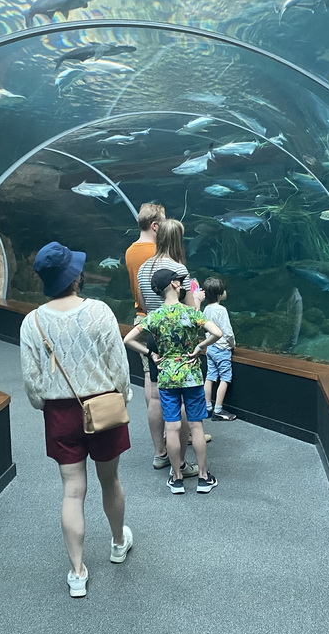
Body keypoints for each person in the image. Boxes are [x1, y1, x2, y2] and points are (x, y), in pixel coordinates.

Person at [20, 242, 134, 598]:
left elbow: (31, 379)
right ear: (75, 276)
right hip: (102, 406)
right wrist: (123, 395)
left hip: (60, 414)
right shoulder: (99, 311)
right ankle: (118, 542)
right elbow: (118, 363)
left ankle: (77, 572)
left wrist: (44, 404)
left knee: (72, 490)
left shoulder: (32, 321)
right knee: (110, 478)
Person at [124, 268, 223, 494]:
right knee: (196, 426)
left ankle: (177, 479)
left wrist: (151, 354)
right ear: (175, 286)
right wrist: (199, 347)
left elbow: (128, 339)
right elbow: (216, 333)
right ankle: (203, 477)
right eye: (179, 282)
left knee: (172, 425)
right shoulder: (190, 313)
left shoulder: (155, 316)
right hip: (192, 377)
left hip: (166, 377)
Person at [135, 218, 209, 475]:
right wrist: (198, 298)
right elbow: (189, 311)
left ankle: (160, 454)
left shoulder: (143, 268)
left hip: (155, 336)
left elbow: (146, 305)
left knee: (156, 396)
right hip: (180, 341)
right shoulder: (178, 270)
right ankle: (182, 462)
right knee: (187, 398)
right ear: (178, 239)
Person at [124, 203, 173, 470]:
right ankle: (180, 432)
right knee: (177, 381)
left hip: (141, 318)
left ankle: (160, 444)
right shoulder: (158, 253)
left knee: (150, 383)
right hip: (163, 320)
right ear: (155, 226)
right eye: (163, 223)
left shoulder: (130, 251)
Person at [202, 276, 238, 421]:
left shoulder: (206, 309)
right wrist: (232, 344)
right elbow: (227, 331)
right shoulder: (221, 310)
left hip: (210, 347)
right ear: (219, 294)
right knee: (225, 377)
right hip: (222, 349)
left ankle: (207, 407)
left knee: (210, 376)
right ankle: (218, 409)